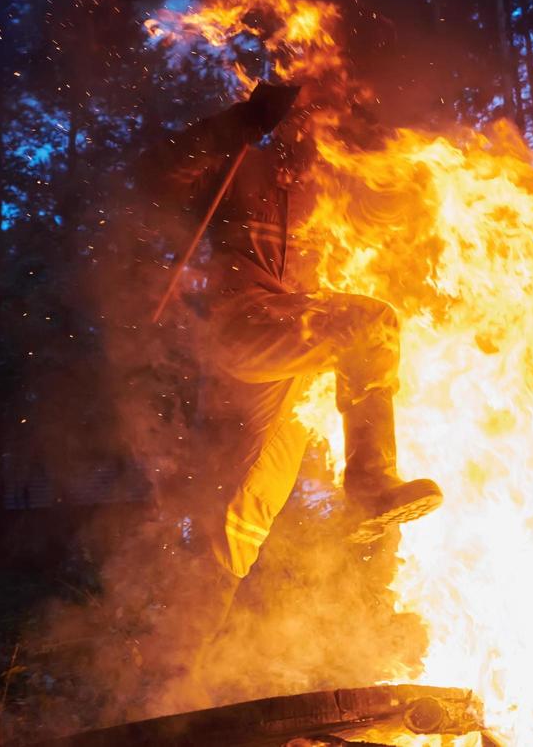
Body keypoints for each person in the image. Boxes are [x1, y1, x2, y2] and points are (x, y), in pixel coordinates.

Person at [136, 82, 443, 650]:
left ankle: (177, 674)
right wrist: (240, 122)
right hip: (245, 324)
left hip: (296, 358)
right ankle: (371, 479)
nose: (321, 133)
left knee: (242, 515)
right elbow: (154, 174)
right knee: (370, 323)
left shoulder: (331, 193)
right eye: (311, 118)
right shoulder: (241, 167)